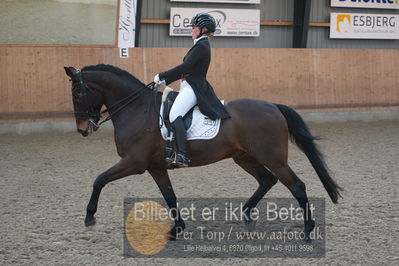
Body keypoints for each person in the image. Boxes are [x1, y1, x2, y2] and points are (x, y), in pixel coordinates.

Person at [153, 13, 230, 168]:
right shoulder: (199, 45)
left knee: (175, 114)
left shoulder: (201, 46)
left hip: (194, 88)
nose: (192, 30)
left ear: (203, 29)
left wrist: (162, 76)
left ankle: (182, 154)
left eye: (194, 28)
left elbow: (184, 68)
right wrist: (165, 80)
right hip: (188, 86)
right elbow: (185, 70)